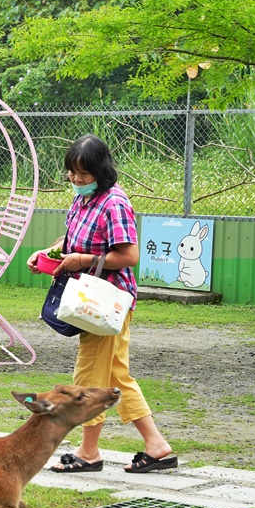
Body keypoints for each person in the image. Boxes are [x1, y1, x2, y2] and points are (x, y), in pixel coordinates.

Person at [28, 134, 177, 474]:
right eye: (71, 172)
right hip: (87, 298)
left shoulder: (114, 203)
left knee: (89, 380)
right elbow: (69, 240)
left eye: (83, 173)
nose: (76, 180)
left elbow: (129, 255)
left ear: (101, 170)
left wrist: (81, 260)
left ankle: (89, 452)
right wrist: (48, 254)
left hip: (105, 304)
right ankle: (157, 447)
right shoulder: (82, 200)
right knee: (116, 376)